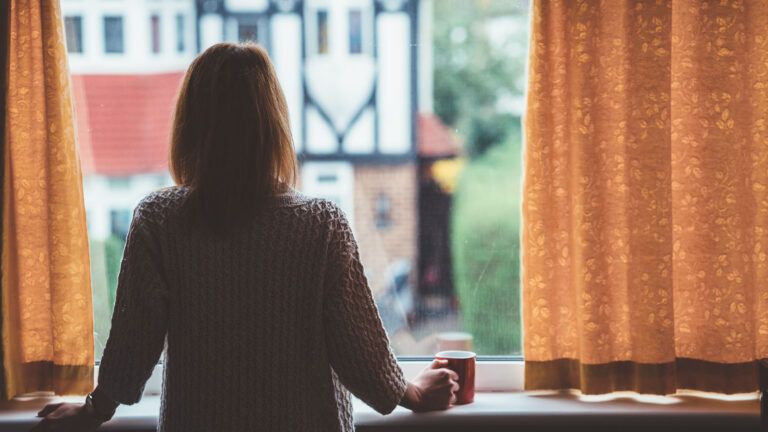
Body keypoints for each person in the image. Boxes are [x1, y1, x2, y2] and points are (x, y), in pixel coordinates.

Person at [32, 43, 458, 432]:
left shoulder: (159, 221)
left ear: (190, 124)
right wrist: (412, 394)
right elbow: (363, 358)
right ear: (273, 125)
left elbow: (131, 347)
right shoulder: (321, 225)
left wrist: (93, 410)